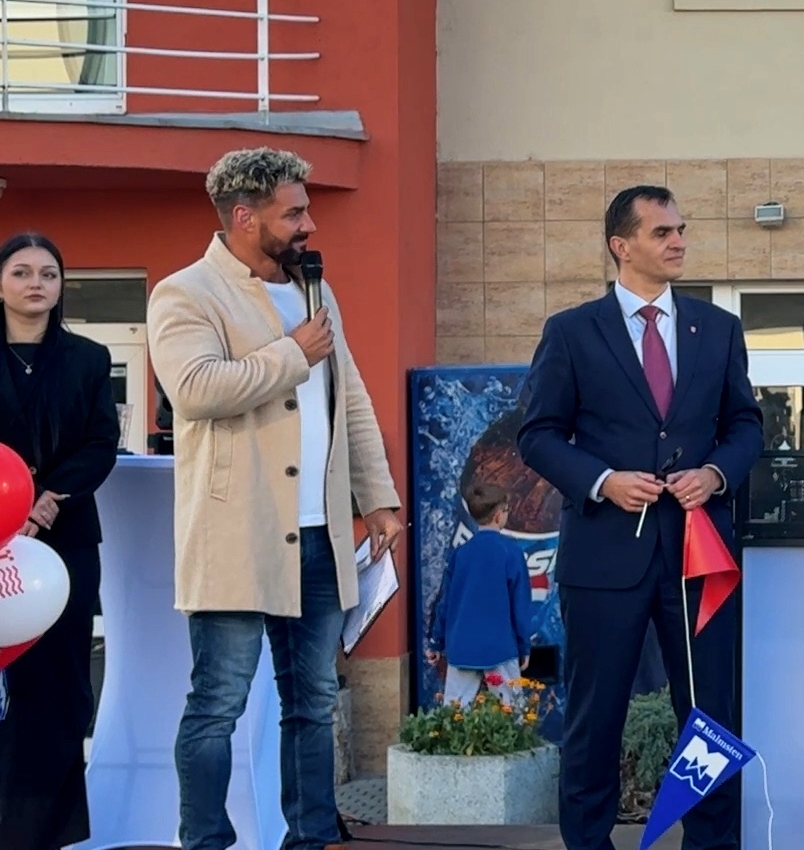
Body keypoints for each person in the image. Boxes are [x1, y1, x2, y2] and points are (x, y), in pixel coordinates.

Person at [148, 147, 405, 850]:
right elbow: (194, 390)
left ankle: (311, 836)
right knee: (218, 703)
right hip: (237, 534)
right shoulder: (186, 293)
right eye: (293, 213)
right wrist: (292, 353)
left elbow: (351, 399)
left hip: (321, 535)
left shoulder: (317, 292)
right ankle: (207, 842)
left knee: (314, 702)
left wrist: (378, 498)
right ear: (244, 217)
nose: (309, 225)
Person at [517, 184, 762, 850]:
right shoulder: (571, 332)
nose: (678, 241)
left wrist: (715, 474)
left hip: (698, 555)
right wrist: (602, 481)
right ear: (620, 246)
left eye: (681, 229)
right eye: (662, 232)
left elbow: (746, 425)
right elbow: (537, 434)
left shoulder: (718, 328)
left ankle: (710, 844)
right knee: (594, 720)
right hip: (603, 556)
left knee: (710, 717)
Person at [0, 233, 120, 849]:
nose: (36, 284)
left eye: (48, 273)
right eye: (21, 272)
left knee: (61, 688)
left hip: (63, 543)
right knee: (14, 690)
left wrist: (48, 498)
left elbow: (101, 443)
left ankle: (45, 833)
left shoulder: (89, 358)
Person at [427, 480, 536, 708]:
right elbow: (520, 605)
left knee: (455, 714)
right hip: (500, 647)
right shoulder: (512, 552)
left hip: (461, 647)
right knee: (512, 713)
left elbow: (444, 603)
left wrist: (436, 643)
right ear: (498, 515)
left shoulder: (460, 554)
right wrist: (524, 646)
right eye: (507, 510)